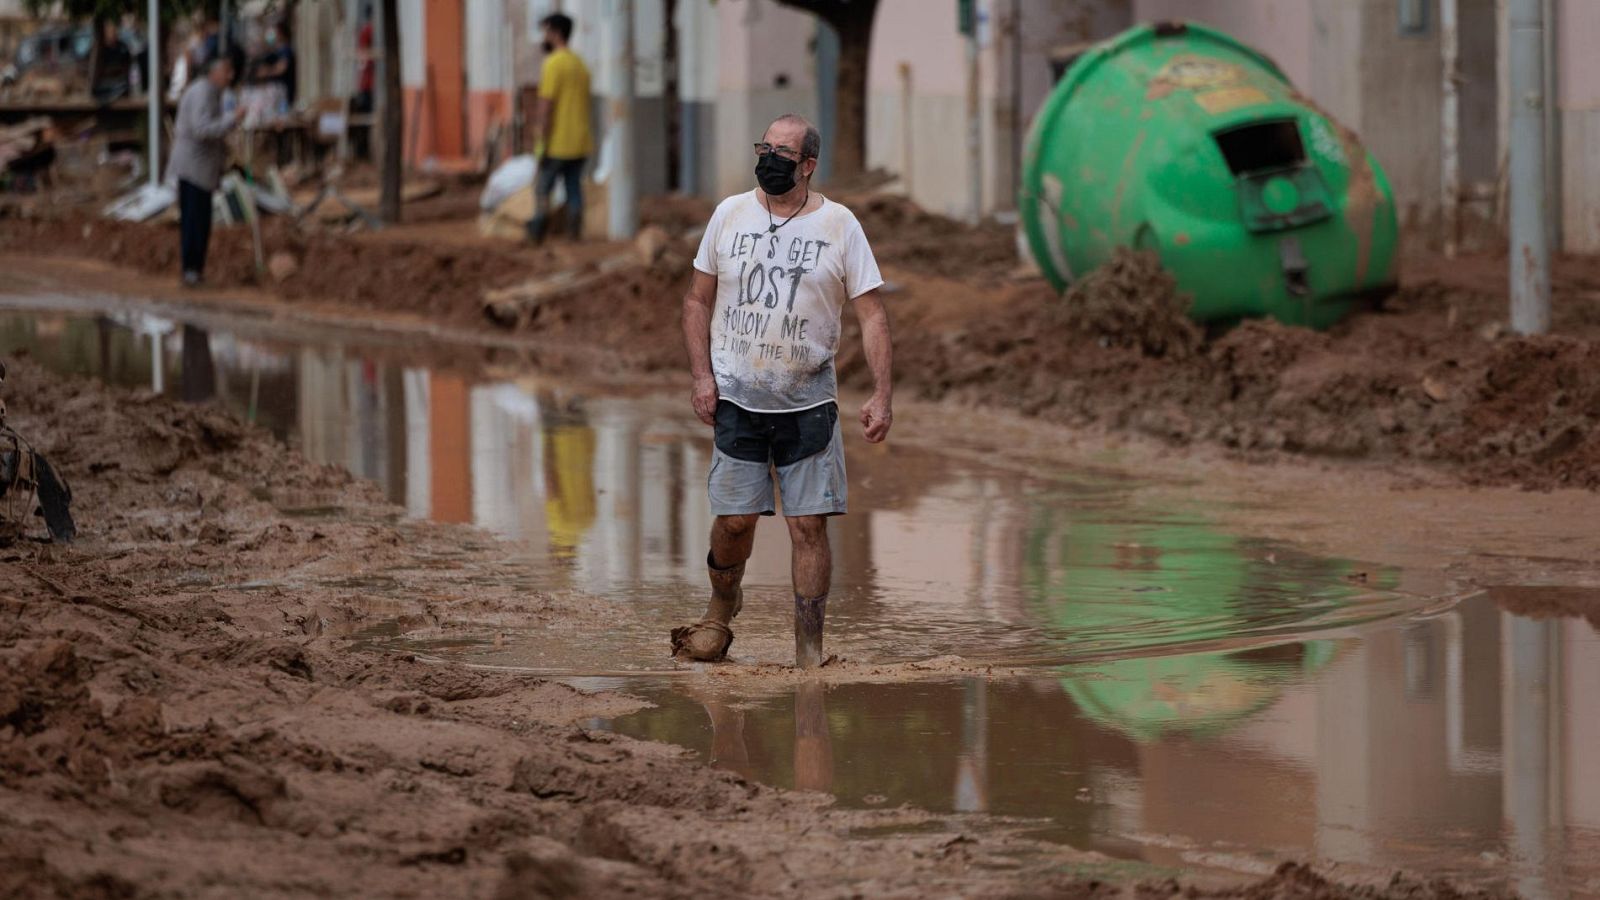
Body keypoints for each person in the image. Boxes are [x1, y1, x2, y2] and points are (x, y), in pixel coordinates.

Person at [672, 114, 894, 669]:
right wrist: (703, 376)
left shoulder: (840, 225)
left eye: (783, 152)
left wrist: (881, 394)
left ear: (809, 166)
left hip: (809, 404)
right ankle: (723, 605)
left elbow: (872, 315)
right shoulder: (729, 214)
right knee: (734, 522)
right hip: (737, 400)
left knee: (807, 526)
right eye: (763, 147)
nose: (769, 158)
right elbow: (697, 300)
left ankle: (809, 651)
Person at [168, 57, 245, 287]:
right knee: (194, 221)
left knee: (201, 221)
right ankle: (190, 269)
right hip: (194, 168)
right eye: (226, 72)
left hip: (202, 169)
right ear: (215, 73)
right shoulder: (203, 92)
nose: (230, 77)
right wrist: (232, 119)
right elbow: (202, 129)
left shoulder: (210, 92)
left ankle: (195, 269)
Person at [525, 13, 593, 243]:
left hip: (558, 142)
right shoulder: (580, 64)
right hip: (580, 141)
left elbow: (546, 107)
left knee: (542, 189)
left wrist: (540, 140)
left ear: (555, 32)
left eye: (545, 31)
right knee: (574, 187)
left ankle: (537, 231)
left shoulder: (553, 64)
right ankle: (574, 232)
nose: (543, 36)